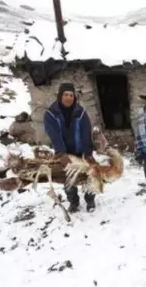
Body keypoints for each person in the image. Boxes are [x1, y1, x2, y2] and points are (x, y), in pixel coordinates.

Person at [44, 83, 95, 213]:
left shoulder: (81, 113)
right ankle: (73, 202)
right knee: (68, 179)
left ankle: (90, 199)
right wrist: (61, 153)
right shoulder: (51, 114)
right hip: (64, 153)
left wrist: (88, 152)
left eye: (71, 95)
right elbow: (53, 134)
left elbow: (86, 132)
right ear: (60, 96)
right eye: (66, 95)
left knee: (89, 176)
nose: (68, 97)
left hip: (80, 151)